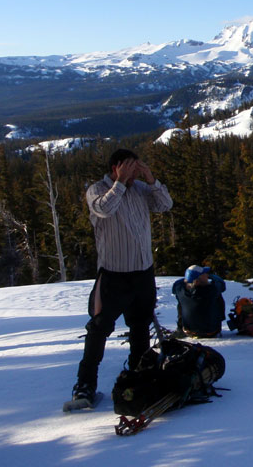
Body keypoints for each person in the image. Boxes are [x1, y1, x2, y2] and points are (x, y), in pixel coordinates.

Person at [70, 149, 173, 405]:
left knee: (140, 328)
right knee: (98, 329)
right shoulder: (97, 190)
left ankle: (138, 378)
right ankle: (84, 386)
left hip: (142, 273)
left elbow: (165, 205)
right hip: (113, 275)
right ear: (115, 167)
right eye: (128, 167)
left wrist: (150, 179)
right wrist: (119, 183)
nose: (132, 173)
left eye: (135, 167)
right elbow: (104, 209)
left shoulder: (140, 189)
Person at [172, 265, 226, 338]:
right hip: (211, 332)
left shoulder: (180, 289)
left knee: (181, 301)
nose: (207, 276)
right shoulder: (212, 290)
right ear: (197, 281)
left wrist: (188, 279)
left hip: (189, 331)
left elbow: (176, 284)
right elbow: (221, 283)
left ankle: (180, 327)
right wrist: (212, 276)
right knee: (218, 297)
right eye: (204, 275)